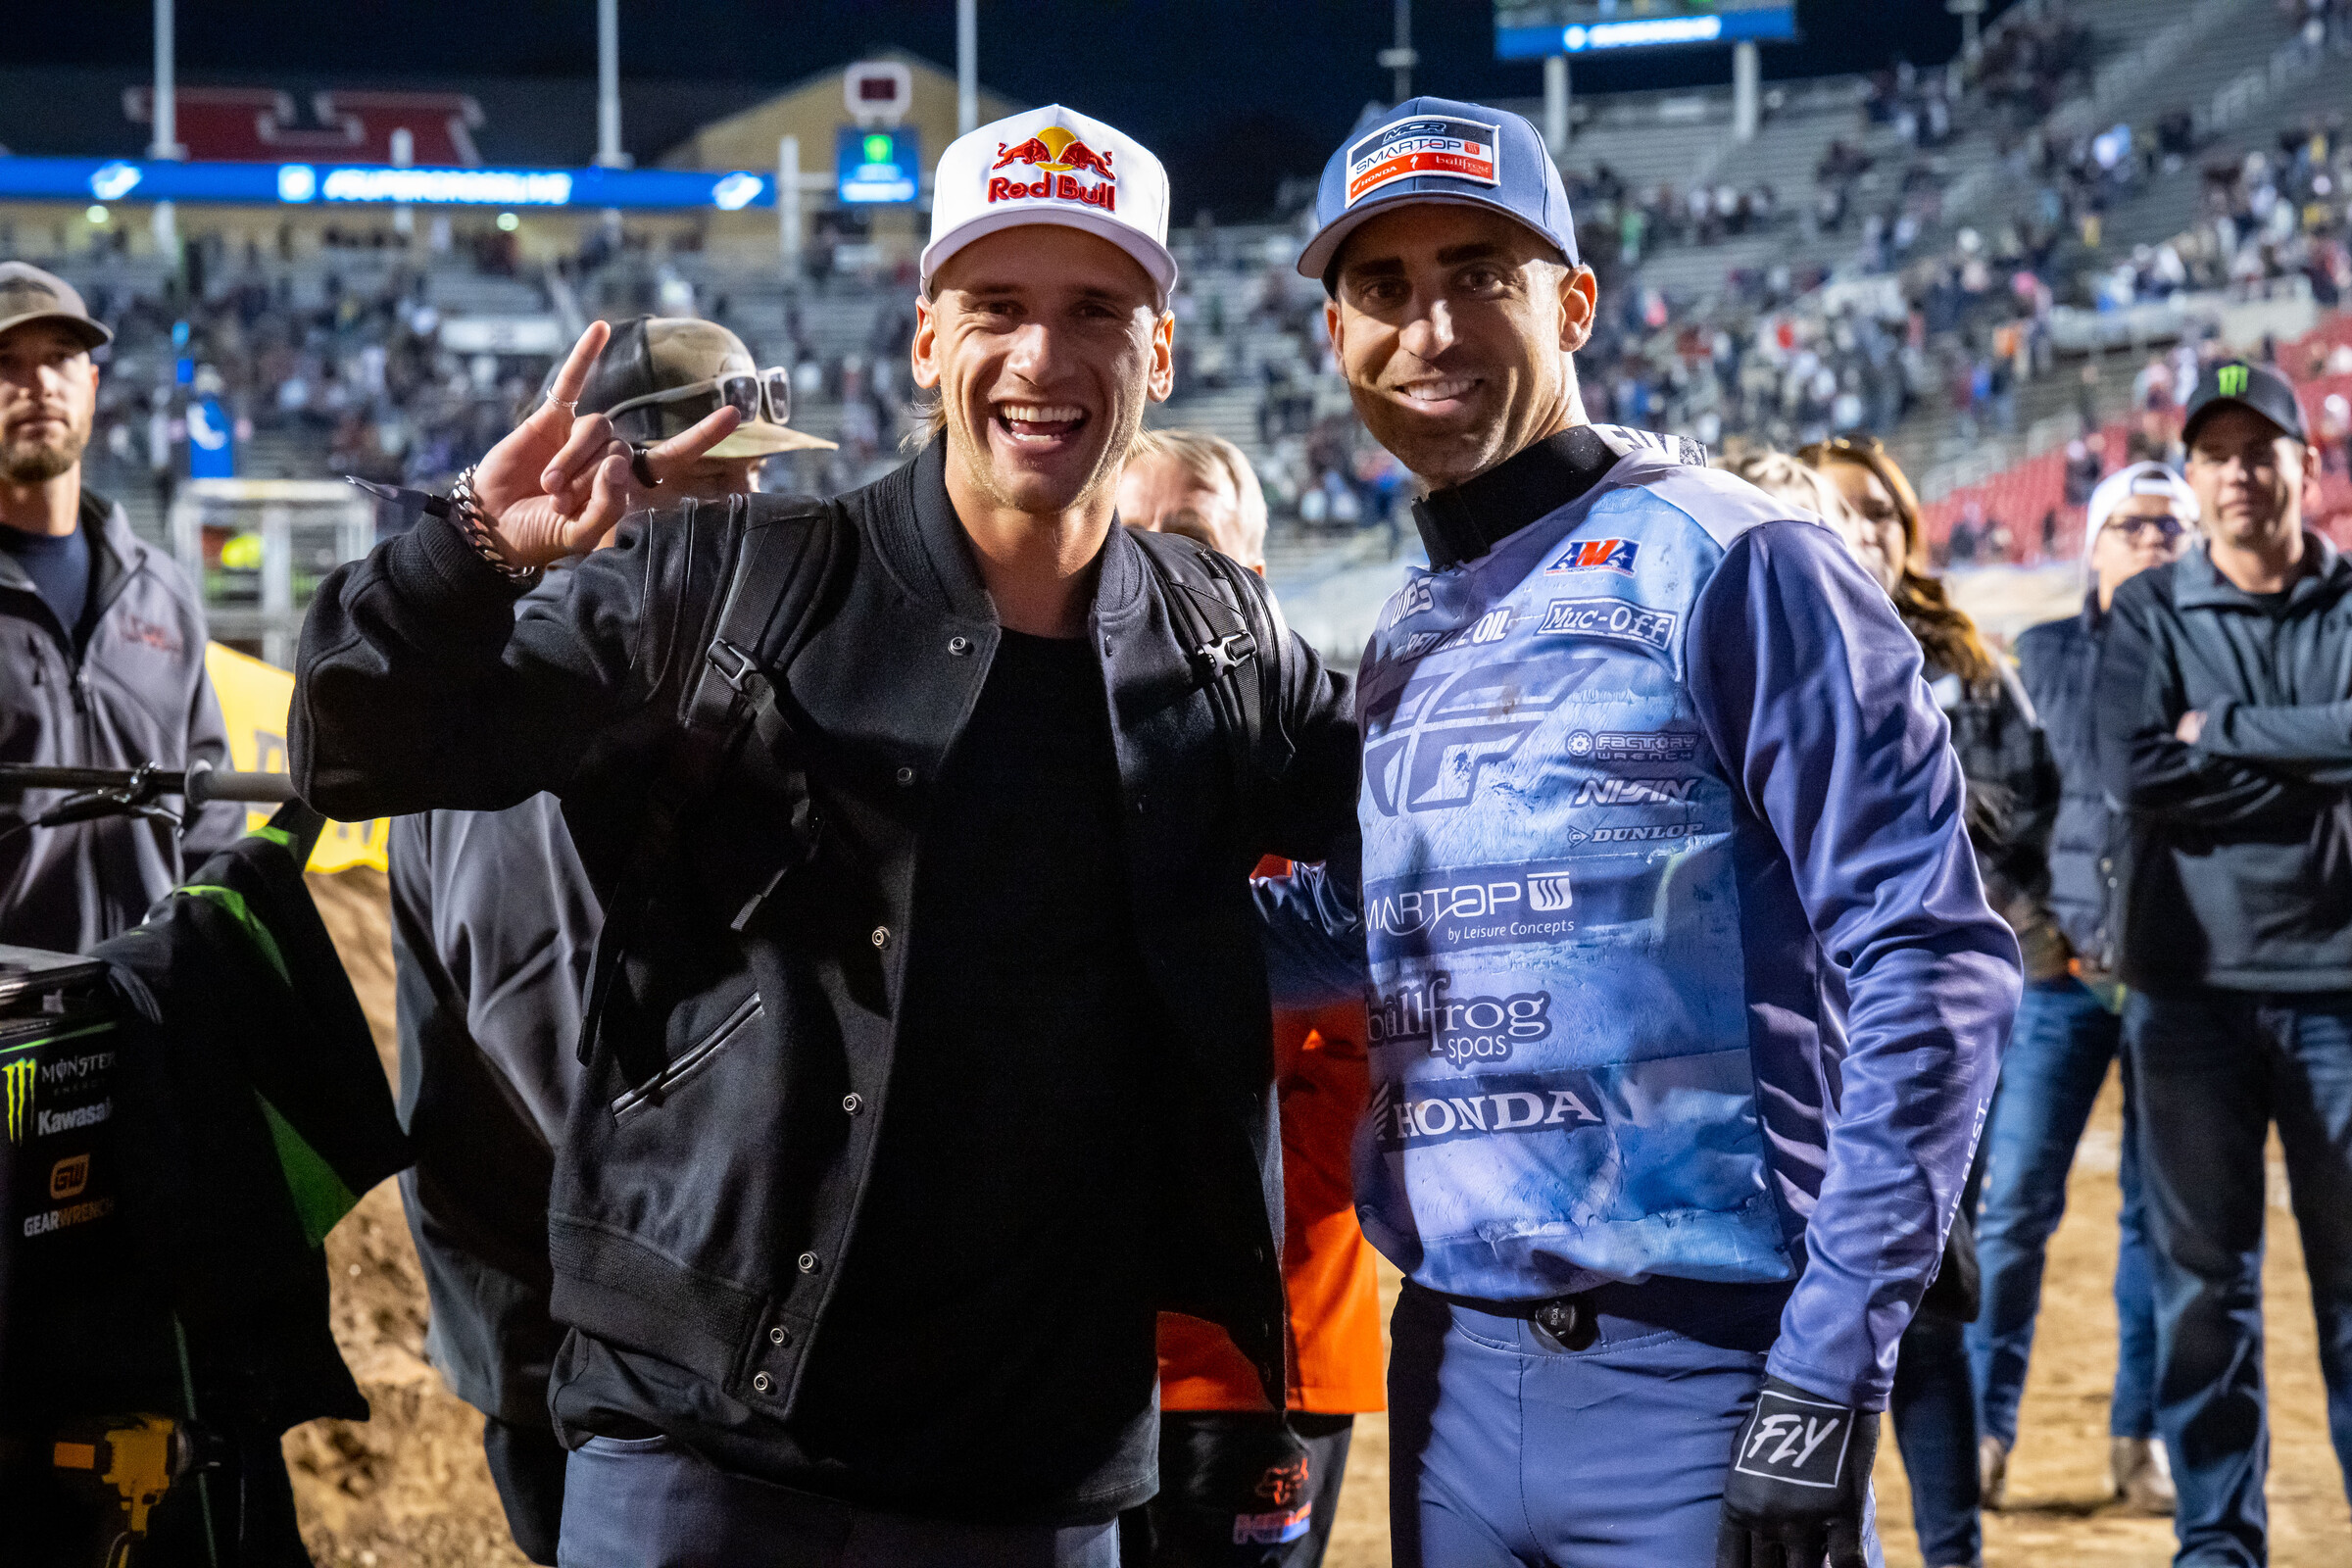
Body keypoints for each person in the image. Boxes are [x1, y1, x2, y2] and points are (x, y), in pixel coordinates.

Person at [293, 104, 1361, 1568]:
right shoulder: (724, 586)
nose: (1042, 359)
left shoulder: (1221, 641)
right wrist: (465, 551)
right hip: (712, 1461)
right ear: (928, 339)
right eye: (998, 308)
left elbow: (1427, 814)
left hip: (1036, 1483)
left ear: (1159, 354)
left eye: (1095, 311)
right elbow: (354, 750)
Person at [1295, 98, 2018, 1568]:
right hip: (1448, 1378)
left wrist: (1827, 1367)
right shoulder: (1411, 625)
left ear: (1573, 302)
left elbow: (1935, 963)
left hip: (1713, 1370)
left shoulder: (1740, 557)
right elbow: (1368, 932)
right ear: (1336, 336)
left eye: (1478, 275)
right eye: (1385, 288)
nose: (1430, 328)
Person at [388, 317, 834, 1564]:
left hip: (640, 1311)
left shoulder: (639, 659)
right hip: (586, 1333)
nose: (757, 503)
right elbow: (558, 1043)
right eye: (721, 473)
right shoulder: (545, 684)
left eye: (759, 471)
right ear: (614, 474)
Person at [2097, 360, 2352, 1568]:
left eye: (2264, 449)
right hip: (2189, 994)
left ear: (2310, 465)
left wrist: (2229, 735)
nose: (2241, 472)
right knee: (2206, 1292)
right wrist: (2316, 759)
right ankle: (2218, 1541)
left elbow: (2185, 754)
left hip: (2341, 990)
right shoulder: (2151, 611)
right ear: (2192, 478)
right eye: (2217, 454)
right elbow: (2135, 768)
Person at [1115, 429, 1384, 1567]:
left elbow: (1351, 1075)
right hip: (1063, 1359)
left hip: (1254, 1355)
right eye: (1130, 542)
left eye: (1186, 541)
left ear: (1254, 579)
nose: (1153, 569)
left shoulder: (1315, 774)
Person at [1984, 463, 2194, 1519]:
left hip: (2178, 980)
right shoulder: (2039, 657)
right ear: (2099, 541)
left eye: (2176, 526)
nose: (2160, 539)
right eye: (2140, 523)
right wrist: (2041, 933)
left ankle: (2137, 1438)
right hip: (2058, 980)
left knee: (2157, 1225)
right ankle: (1983, 1430)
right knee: (2014, 1206)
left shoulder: (2220, 657)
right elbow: (2000, 814)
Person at [0, 260, 242, 951]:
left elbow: (213, 824)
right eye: (7, 361)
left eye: (60, 359)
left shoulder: (162, 591)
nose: (39, 383)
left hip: (150, 1019)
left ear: (92, 385)